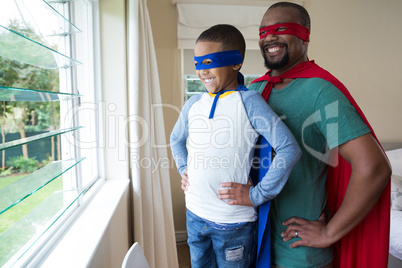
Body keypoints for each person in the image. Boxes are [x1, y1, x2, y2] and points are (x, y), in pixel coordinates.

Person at [216, 2, 392, 268]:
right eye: (263, 32)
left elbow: (374, 168)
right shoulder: (255, 88)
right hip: (253, 240)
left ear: (304, 35)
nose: (270, 37)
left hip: (297, 253)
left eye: (281, 28)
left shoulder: (320, 93)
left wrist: (328, 232)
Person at [170, 24, 301, 268]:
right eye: (198, 63)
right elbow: (176, 139)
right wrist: (183, 168)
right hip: (195, 215)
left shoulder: (249, 102)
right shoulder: (193, 104)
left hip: (233, 223)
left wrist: (257, 195)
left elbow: (289, 149)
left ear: (236, 63)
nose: (202, 71)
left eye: (210, 62)